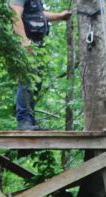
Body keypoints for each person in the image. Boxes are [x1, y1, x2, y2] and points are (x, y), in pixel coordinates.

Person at [8, 1, 72, 130]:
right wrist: (24, 42)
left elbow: (40, 14)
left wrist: (60, 16)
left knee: (35, 85)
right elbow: (15, 15)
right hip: (26, 44)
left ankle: (30, 121)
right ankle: (23, 121)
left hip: (36, 45)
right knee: (27, 81)